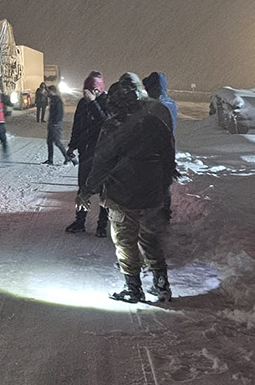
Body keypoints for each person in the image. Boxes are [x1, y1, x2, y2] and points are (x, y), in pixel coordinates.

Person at [79, 73, 177, 303]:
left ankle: (133, 289)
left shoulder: (112, 127)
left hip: (123, 195)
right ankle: (162, 286)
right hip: (153, 195)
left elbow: (102, 163)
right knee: (150, 239)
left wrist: (87, 190)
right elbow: (168, 158)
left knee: (125, 241)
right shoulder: (155, 122)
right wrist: (163, 186)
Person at [64, 72, 110, 235]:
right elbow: (78, 126)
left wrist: (93, 104)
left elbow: (106, 123)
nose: (86, 93)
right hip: (86, 153)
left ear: (97, 90)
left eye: (90, 90)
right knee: (83, 190)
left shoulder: (106, 102)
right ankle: (80, 221)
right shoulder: (82, 104)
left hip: (102, 154)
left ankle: (102, 226)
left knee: (104, 191)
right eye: (85, 90)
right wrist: (72, 146)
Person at [142, 71, 179, 222]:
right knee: (164, 184)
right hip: (168, 148)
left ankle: (152, 217)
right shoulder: (171, 103)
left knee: (149, 184)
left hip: (151, 150)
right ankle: (164, 215)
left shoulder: (152, 105)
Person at [42, 84, 70, 165]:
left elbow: (60, 113)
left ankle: (67, 157)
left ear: (52, 91)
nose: (48, 93)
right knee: (49, 142)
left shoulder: (58, 100)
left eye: (49, 91)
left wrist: (55, 122)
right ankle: (50, 160)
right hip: (51, 123)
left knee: (57, 142)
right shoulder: (53, 99)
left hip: (56, 124)